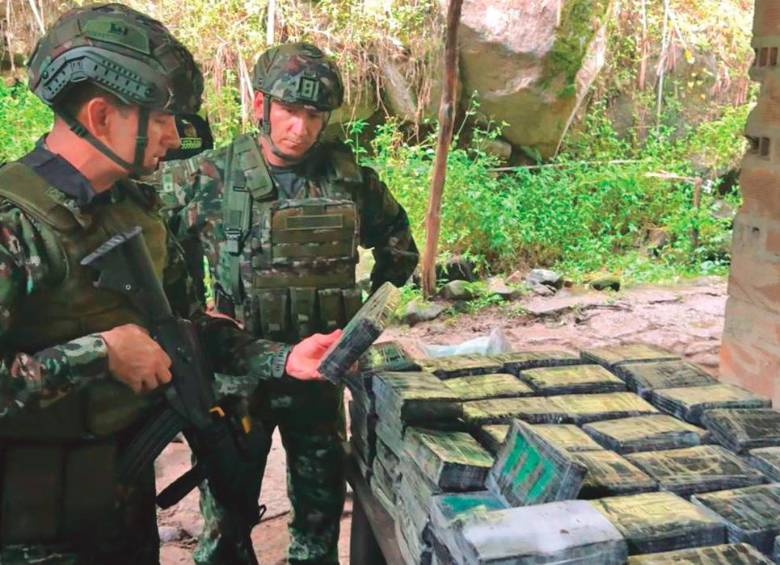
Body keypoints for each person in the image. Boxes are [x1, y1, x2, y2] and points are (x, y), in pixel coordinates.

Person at [0, 6, 336, 564]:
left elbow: (187, 328)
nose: (174, 135)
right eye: (160, 118)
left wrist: (283, 359)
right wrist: (99, 354)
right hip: (30, 533)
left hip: (119, 513)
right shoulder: (14, 225)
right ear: (102, 115)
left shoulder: (135, 208)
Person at [158, 42, 419, 564]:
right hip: (237, 384)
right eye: (288, 111)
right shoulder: (206, 176)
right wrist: (193, 314)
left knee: (319, 527)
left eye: (313, 115)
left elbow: (398, 246)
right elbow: (159, 252)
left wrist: (362, 323)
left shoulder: (349, 179)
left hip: (319, 377)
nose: (299, 127)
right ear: (261, 106)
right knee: (224, 530)